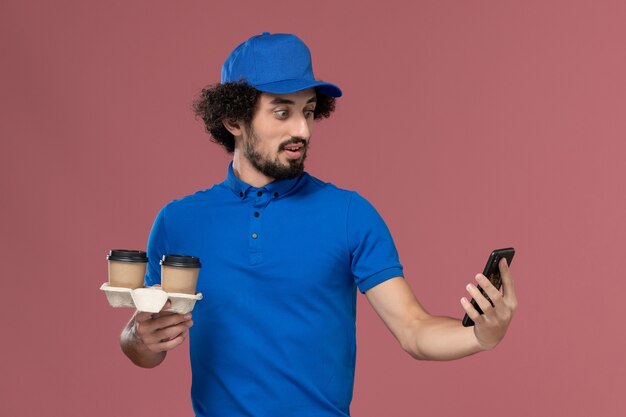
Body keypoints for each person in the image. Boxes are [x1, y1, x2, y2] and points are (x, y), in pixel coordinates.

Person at [120, 32, 518, 417]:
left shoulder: (349, 214)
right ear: (233, 120)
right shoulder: (178, 222)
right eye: (282, 111)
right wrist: (138, 338)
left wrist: (478, 336)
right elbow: (146, 343)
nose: (302, 130)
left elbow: (414, 329)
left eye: (308, 111)